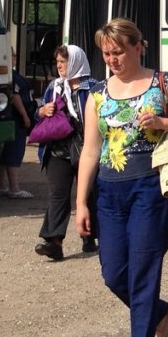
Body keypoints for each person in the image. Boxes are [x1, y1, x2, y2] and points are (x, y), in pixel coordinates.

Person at [75, 18, 168, 337]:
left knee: (144, 273)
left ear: (137, 47)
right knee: (115, 274)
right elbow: (90, 150)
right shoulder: (97, 93)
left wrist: (163, 121)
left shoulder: (163, 83)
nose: (111, 59)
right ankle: (161, 312)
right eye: (106, 53)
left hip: (151, 190)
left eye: (118, 51)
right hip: (109, 194)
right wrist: (81, 202)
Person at [34, 44, 98, 260]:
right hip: (58, 150)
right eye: (58, 62)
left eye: (63, 62)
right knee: (58, 195)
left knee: (89, 194)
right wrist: (42, 111)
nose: (59, 66)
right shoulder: (54, 87)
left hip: (86, 148)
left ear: (75, 62)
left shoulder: (94, 88)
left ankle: (90, 236)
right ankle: (54, 242)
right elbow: (39, 113)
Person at [0, 50, 35, 198]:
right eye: (12, 55)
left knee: (2, 153)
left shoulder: (0, 75)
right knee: (14, 152)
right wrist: (25, 116)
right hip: (15, 119)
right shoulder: (12, 77)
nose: (14, 58)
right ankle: (14, 189)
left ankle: (1, 186)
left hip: (3, 118)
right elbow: (15, 96)